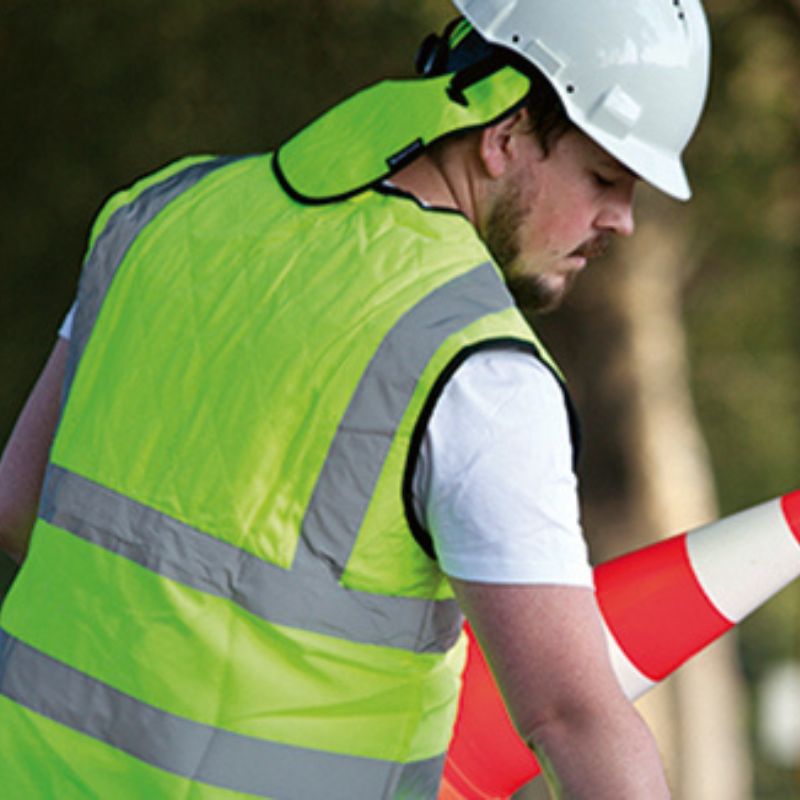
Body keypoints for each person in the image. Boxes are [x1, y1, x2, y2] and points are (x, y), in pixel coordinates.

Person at [0, 0, 710, 797]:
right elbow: (571, 716)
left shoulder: (160, 214)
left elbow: (22, 504)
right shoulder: (479, 366)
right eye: (606, 178)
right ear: (504, 134)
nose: (623, 221)